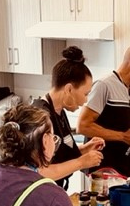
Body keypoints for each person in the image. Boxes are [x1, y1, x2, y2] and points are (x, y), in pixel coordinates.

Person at [77, 44, 130, 177]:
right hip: (100, 169)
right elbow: (83, 126)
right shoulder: (104, 85)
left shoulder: (129, 90)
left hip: (120, 167)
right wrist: (123, 136)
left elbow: (123, 132)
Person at [32, 46, 105, 190]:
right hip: (40, 194)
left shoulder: (59, 110)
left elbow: (61, 155)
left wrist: (85, 149)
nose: (85, 101)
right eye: (85, 94)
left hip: (55, 190)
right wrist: (81, 162)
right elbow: (40, 171)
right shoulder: (41, 117)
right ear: (69, 89)